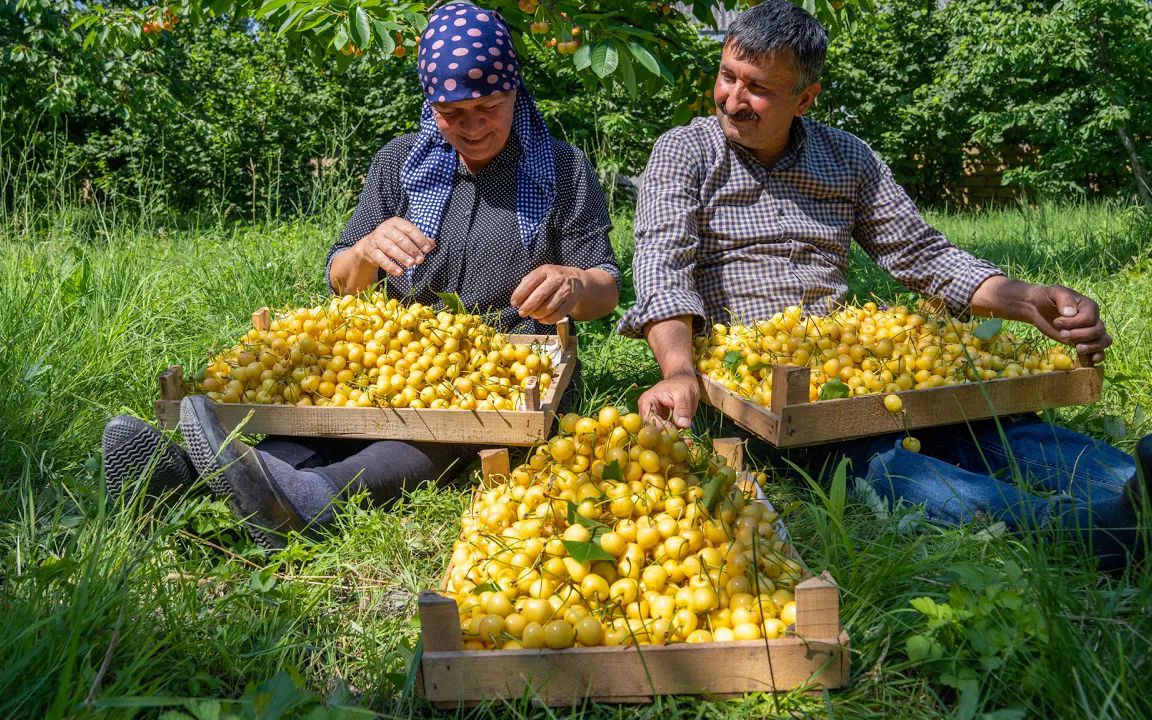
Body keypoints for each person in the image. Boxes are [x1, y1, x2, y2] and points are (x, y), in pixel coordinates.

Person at [619, 0, 1150, 568]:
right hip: (763, 381)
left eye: (758, 89)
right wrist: (678, 371)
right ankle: (1084, 534)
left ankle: (1130, 484)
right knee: (883, 459)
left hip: (852, 361)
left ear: (805, 99)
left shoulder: (848, 157)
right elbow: (663, 269)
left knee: (985, 424)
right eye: (728, 76)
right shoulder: (686, 152)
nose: (732, 99)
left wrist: (1025, 299)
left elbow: (920, 252)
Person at [102, 2, 620, 549]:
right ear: (430, 104)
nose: (470, 127)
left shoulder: (562, 170)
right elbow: (342, 277)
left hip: (506, 374)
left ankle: (300, 498)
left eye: (488, 106)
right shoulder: (401, 162)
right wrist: (368, 250)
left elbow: (606, 287)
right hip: (394, 358)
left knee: (440, 431)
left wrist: (575, 285)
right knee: (327, 417)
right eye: (450, 112)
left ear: (515, 90)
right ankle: (207, 481)